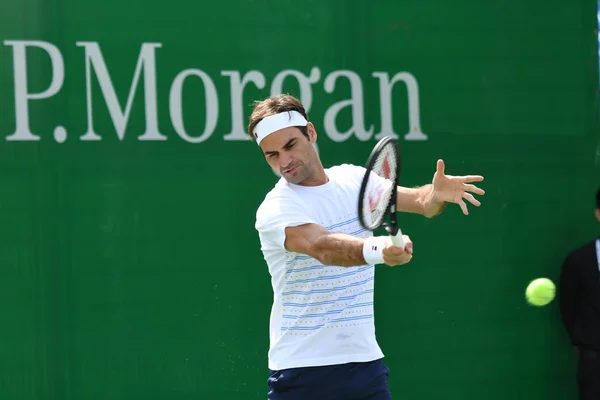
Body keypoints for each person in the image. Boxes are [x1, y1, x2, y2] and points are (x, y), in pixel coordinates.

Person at [249, 94, 485, 400]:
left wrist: (436, 194)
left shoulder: (353, 180)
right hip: (303, 372)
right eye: (272, 154)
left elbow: (423, 203)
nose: (284, 162)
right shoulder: (276, 207)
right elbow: (321, 247)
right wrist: (378, 250)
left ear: (310, 132)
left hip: (365, 367)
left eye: (290, 145)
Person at [559, 187, 600, 400]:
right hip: (593, 359)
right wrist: (582, 341)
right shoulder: (578, 260)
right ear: (598, 214)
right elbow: (568, 305)